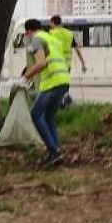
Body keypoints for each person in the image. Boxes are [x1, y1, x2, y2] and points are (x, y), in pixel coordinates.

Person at [16, 18, 68, 168]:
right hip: (63, 80)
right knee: (49, 118)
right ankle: (57, 153)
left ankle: (54, 152)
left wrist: (24, 78)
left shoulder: (37, 39)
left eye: (27, 35)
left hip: (52, 83)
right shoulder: (52, 38)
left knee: (35, 115)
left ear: (28, 31)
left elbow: (41, 63)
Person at [48, 15, 86, 108]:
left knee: (55, 84)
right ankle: (65, 100)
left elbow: (47, 49)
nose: (50, 25)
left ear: (53, 22)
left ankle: (60, 103)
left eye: (50, 23)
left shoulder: (51, 34)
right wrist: (83, 64)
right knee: (64, 83)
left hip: (55, 64)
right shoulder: (69, 34)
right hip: (67, 64)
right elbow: (77, 49)